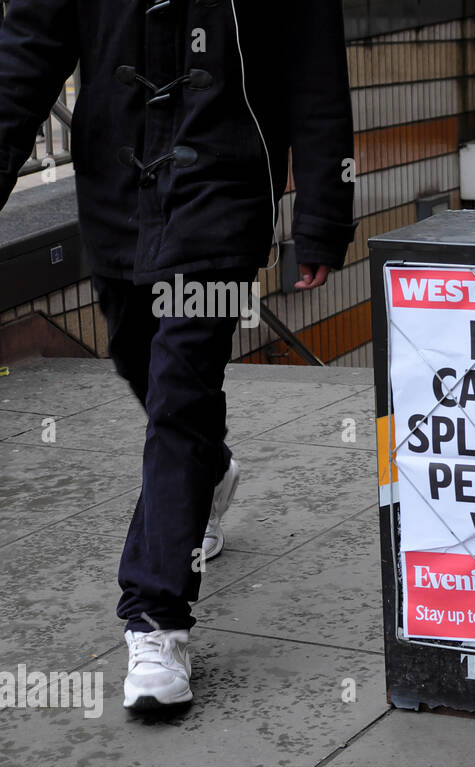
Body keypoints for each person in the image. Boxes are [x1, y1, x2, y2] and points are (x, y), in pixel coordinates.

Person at [0, 1, 356, 711]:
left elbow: (315, 71)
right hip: (115, 184)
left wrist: (322, 216)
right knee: (139, 358)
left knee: (181, 384)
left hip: (224, 186)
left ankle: (156, 617)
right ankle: (211, 468)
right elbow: (29, 51)